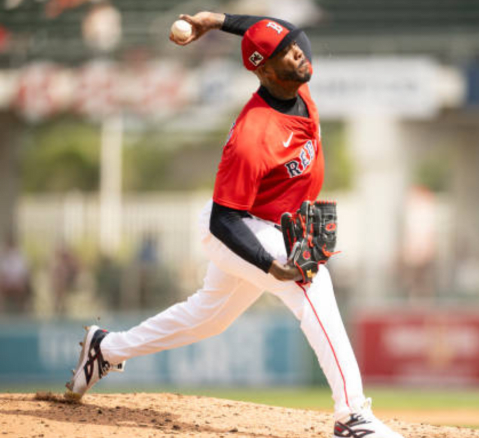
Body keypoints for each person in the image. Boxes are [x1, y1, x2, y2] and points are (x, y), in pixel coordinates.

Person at [66, 11, 405, 438]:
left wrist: (218, 20)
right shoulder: (253, 135)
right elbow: (224, 219)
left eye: (294, 43)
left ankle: (105, 348)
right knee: (309, 284)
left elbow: (268, 30)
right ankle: (351, 415)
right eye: (285, 51)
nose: (299, 52)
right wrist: (269, 264)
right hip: (237, 228)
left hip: (271, 222)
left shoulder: (296, 77)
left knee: (208, 318)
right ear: (262, 68)